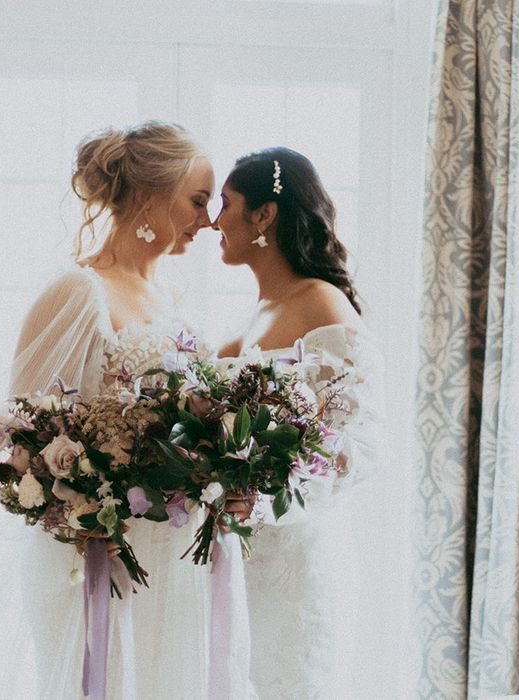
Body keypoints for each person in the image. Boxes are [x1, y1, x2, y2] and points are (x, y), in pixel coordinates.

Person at [9, 121, 254, 699]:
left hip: (177, 548)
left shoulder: (172, 300)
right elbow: (24, 435)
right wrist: (89, 510)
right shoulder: (78, 291)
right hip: (104, 550)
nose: (210, 220)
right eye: (198, 201)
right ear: (148, 196)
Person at [213, 147, 385, 698]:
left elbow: (360, 444)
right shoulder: (253, 317)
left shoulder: (322, 303)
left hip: (296, 566)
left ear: (264, 215)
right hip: (235, 563)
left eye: (226, 204)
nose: (216, 221)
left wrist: (264, 496)